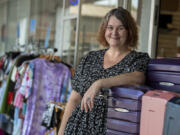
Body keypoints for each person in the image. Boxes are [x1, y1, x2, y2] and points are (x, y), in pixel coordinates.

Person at [58, 7, 150, 135]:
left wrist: (100, 83)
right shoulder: (90, 58)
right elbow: (74, 99)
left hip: (113, 129)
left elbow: (137, 77)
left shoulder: (138, 59)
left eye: (121, 28)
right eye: (110, 27)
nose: (114, 33)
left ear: (129, 31)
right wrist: (61, 132)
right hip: (77, 127)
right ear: (104, 30)